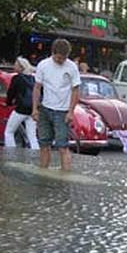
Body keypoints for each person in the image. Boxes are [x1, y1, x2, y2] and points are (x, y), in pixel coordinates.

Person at [32, 39, 81, 171]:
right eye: (59, 58)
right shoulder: (43, 65)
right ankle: (43, 172)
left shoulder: (71, 67)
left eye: (64, 58)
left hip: (62, 111)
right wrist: (34, 109)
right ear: (53, 53)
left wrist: (71, 112)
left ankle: (66, 176)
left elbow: (75, 90)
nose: (61, 61)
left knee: (62, 146)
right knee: (44, 144)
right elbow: (37, 87)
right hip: (45, 108)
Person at [4, 57, 40, 150]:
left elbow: (11, 93)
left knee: (9, 132)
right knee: (32, 136)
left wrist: (8, 103)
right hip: (32, 110)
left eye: (16, 65)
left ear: (21, 67)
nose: (14, 66)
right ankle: (35, 154)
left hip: (21, 109)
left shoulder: (17, 78)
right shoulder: (33, 79)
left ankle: (11, 153)